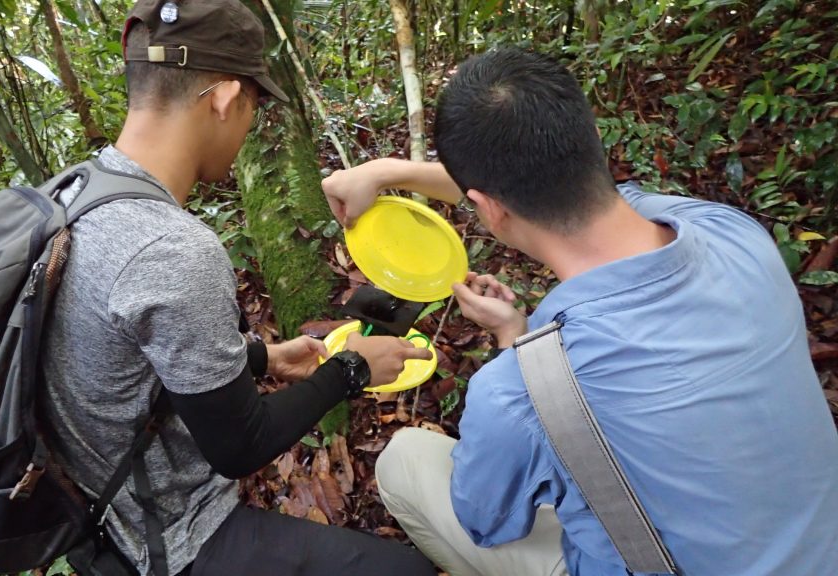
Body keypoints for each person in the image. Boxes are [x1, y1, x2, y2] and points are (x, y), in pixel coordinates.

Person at [322, 47, 838, 576]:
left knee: (404, 460)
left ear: (488, 209)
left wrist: (518, 352)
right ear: (589, 141)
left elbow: (487, 522)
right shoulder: (729, 230)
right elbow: (535, 181)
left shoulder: (515, 393)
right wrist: (386, 173)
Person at [38, 1, 436, 575]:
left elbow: (124, 352)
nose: (248, 125)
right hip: (162, 543)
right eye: (252, 104)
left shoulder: (73, 190)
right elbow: (240, 448)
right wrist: (349, 370)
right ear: (225, 98)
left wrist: (261, 358)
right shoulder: (170, 248)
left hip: (93, 511)